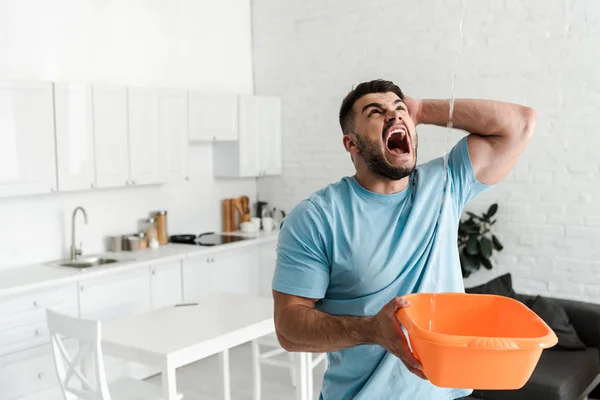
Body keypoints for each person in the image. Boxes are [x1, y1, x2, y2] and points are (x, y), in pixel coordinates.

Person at [271, 79, 536, 399]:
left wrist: (421, 109)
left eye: (399, 110)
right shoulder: (316, 218)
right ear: (351, 143)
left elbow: (520, 124)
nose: (394, 117)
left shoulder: (445, 184)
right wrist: (372, 330)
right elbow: (289, 328)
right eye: (376, 112)